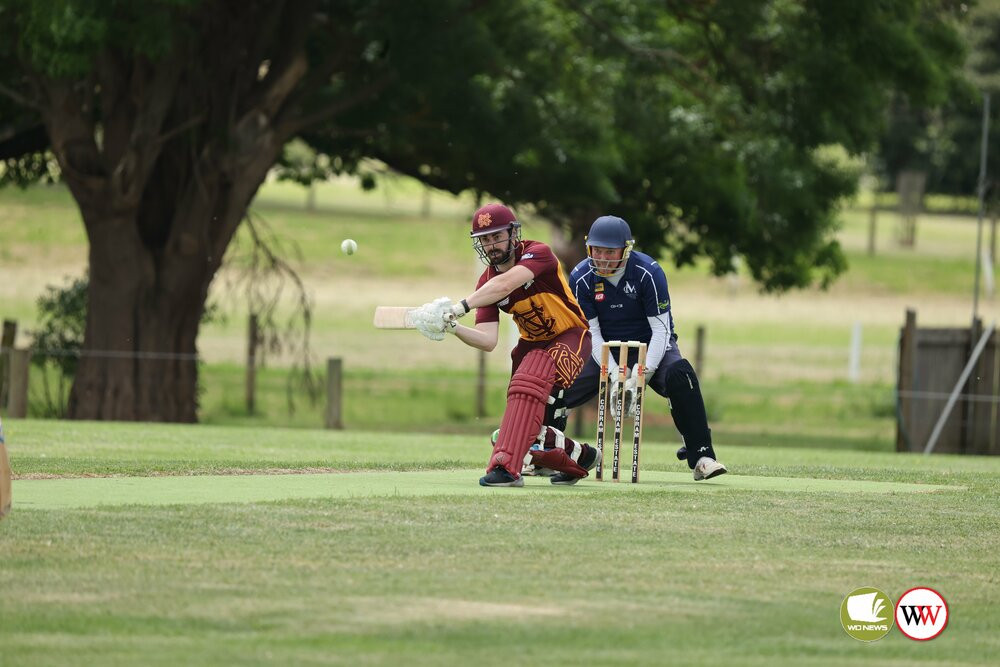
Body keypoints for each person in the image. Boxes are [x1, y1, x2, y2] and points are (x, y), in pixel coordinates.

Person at [412, 203, 601, 487]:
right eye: (484, 239)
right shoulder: (485, 283)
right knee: (520, 430)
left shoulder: (538, 253)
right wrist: (453, 327)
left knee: (531, 380)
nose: (491, 245)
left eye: (496, 236)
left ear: (513, 234)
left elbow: (506, 285)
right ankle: (580, 456)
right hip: (531, 344)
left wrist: (458, 307)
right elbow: (487, 340)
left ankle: (507, 470)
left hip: (570, 334)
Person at [560, 215, 728, 481]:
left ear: (625, 250)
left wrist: (643, 373)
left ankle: (702, 457)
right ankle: (549, 454)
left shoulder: (648, 272)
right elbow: (592, 332)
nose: (601, 257)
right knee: (559, 384)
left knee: (681, 375)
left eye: (609, 251)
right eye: (597, 249)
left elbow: (662, 330)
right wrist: (615, 374)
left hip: (652, 346)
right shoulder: (581, 277)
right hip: (603, 348)